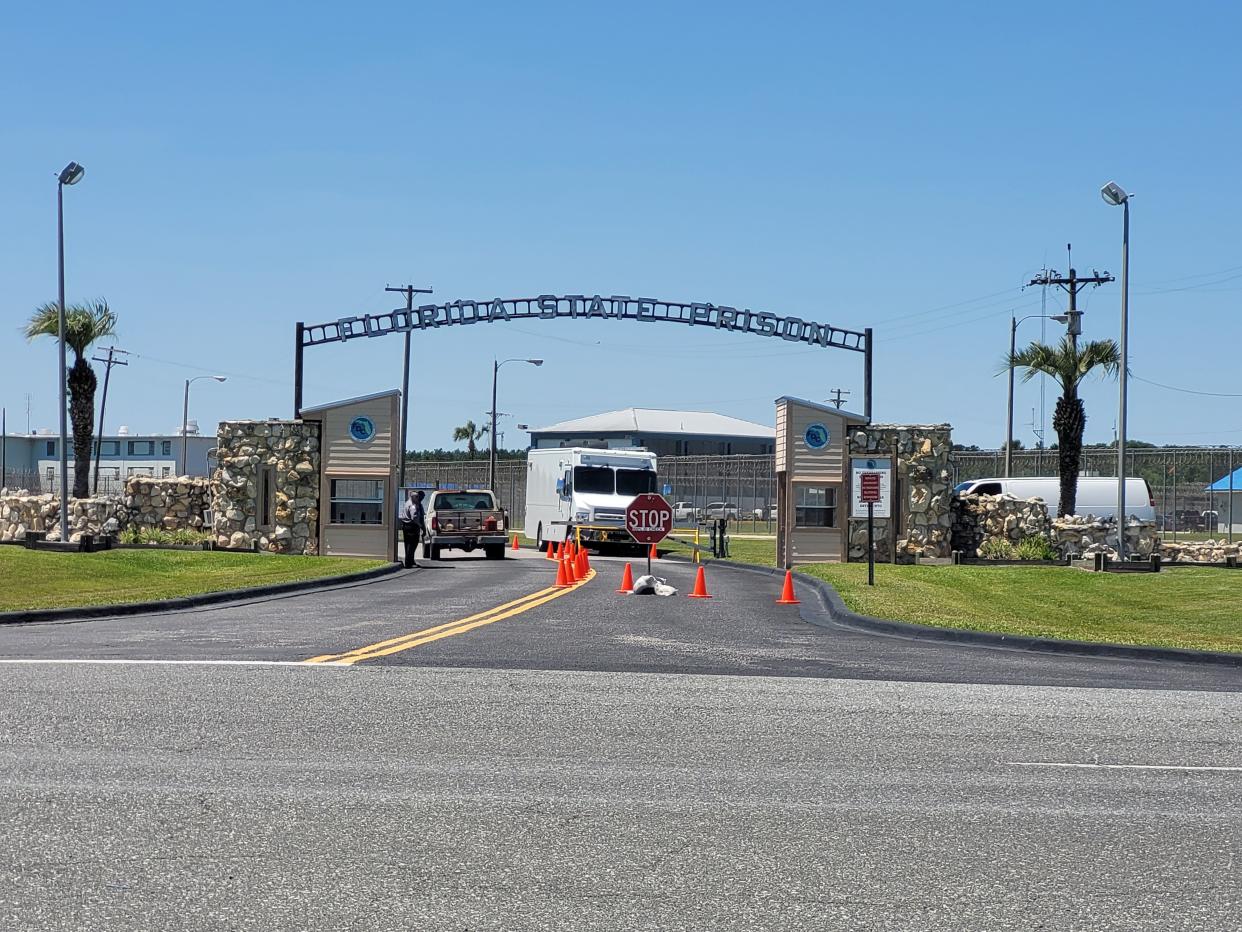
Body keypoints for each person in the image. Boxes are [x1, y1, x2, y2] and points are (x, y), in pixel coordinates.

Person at [399, 490, 426, 568]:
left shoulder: (407, 503)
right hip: (412, 526)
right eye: (417, 497)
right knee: (412, 544)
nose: (419, 498)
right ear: (412, 497)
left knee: (408, 544)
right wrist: (420, 525)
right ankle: (408, 562)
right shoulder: (413, 505)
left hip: (406, 526)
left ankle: (410, 561)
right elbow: (414, 517)